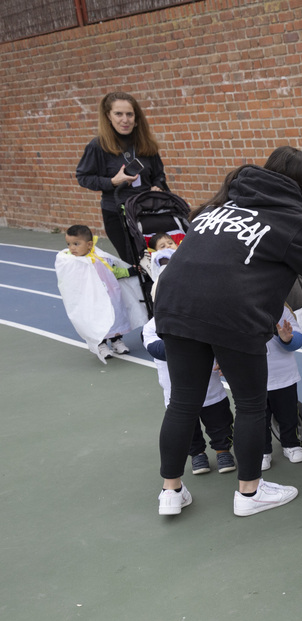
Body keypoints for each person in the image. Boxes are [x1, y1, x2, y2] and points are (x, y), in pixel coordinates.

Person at [153, 145, 302, 517]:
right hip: (231, 312)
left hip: (175, 305)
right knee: (252, 403)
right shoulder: (293, 220)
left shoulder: (219, 205)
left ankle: (170, 493)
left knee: (182, 402)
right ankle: (249, 494)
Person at [75, 92, 169, 264]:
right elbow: (83, 177)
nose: (125, 119)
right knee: (137, 263)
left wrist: (158, 186)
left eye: (129, 114)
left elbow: (159, 175)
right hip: (118, 215)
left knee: (158, 259)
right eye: (119, 114)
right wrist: (112, 182)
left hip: (148, 211)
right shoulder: (98, 146)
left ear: (136, 117)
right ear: (108, 116)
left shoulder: (145, 144)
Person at [143, 315, 235, 476]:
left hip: (211, 391)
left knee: (221, 424)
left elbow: (221, 342)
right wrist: (195, 344)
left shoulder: (203, 317)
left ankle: (223, 451)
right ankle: (197, 455)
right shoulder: (152, 326)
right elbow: (157, 349)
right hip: (178, 397)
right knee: (187, 429)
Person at [55, 225, 147, 362]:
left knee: (114, 317)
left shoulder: (101, 258)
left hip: (110, 296)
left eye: (76, 244)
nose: (72, 248)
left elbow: (113, 271)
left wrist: (129, 271)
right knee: (97, 319)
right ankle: (101, 344)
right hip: (90, 299)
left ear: (89, 244)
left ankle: (116, 341)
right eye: (69, 244)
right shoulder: (70, 261)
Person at [261, 305, 302, 472]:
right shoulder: (236, 307)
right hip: (251, 376)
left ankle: (291, 445)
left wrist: (287, 339)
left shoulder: (280, 309)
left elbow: (298, 337)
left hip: (283, 375)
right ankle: (262, 451)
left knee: (288, 413)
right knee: (258, 417)